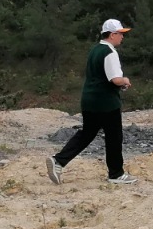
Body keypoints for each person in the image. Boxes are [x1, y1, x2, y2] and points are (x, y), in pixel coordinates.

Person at [46, 19, 134, 185]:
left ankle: (58, 161)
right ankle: (116, 174)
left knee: (86, 134)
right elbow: (115, 79)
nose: (122, 37)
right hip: (107, 103)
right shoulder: (110, 52)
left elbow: (100, 77)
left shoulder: (95, 50)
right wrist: (125, 80)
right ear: (113, 34)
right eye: (121, 34)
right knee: (114, 137)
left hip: (89, 100)